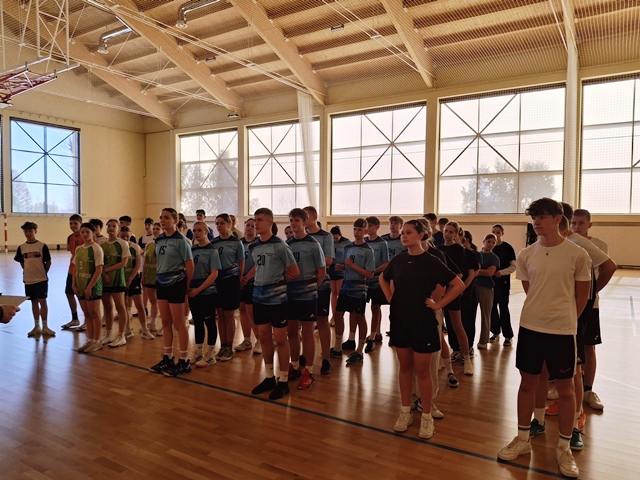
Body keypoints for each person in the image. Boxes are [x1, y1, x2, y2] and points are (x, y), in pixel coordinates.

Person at [498, 198, 591, 479]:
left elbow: (582, 298)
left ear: (557, 219)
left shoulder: (577, 255)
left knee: (565, 390)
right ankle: (522, 438)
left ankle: (563, 447)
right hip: (530, 328)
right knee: (528, 383)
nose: (536, 222)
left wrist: (563, 319)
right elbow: (531, 290)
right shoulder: (527, 254)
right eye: (534, 218)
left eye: (542, 217)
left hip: (562, 332)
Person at [380, 219, 464, 439]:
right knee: (404, 368)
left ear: (421, 235)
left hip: (423, 322)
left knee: (424, 371)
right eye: (403, 233)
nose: (404, 236)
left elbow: (458, 284)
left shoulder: (432, 261)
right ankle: (405, 411)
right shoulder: (398, 260)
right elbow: (382, 278)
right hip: (400, 320)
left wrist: (438, 304)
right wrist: (391, 299)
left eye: (408, 232)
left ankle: (426, 416)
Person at [249, 208, 299, 400]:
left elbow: (294, 271)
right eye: (255, 220)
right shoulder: (253, 246)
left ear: (270, 222)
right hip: (258, 297)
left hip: (277, 300)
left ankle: (284, 380)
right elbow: (258, 267)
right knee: (263, 336)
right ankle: (269, 377)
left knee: (280, 339)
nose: (256, 223)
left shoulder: (280, 246)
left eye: (260, 220)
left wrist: (278, 282)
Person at [570, 209, 610, 411]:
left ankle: (588, 390)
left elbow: (607, 269)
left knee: (588, 346)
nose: (577, 227)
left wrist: (591, 293)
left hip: (590, 306)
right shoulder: (568, 243)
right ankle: (565, 386)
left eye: (581, 223)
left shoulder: (599, 245)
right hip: (570, 304)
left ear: (589, 225)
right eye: (573, 223)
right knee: (569, 346)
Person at [148, 208, 194, 377]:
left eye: (167, 217)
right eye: (161, 217)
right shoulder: (158, 240)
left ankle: (184, 360)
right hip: (161, 283)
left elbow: (190, 265)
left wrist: (186, 285)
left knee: (178, 323)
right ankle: (168, 357)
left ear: (175, 220)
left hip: (177, 284)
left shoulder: (181, 241)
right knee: (166, 321)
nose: (163, 220)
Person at [286, 208, 326, 389]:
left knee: (308, 333)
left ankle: (308, 371)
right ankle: (295, 366)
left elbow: (322, 270)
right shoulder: (287, 244)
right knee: (292, 332)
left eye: (296, 220)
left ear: (304, 222)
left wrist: (311, 288)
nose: (293, 223)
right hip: (290, 295)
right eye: (291, 220)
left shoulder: (313, 244)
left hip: (308, 295)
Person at [332, 218, 375, 366]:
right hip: (346, 286)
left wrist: (351, 265)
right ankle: (337, 347)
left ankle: (359, 350)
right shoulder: (348, 247)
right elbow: (347, 265)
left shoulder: (368, 250)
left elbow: (370, 274)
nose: (356, 232)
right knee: (338, 315)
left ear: (365, 231)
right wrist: (342, 267)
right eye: (355, 229)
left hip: (359, 289)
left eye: (360, 230)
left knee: (359, 317)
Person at [437, 221, 474, 376]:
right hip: (439, 291)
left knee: (457, 325)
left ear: (457, 234)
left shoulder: (459, 250)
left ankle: (467, 359)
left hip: (452, 291)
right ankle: (441, 358)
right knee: (438, 326)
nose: (447, 234)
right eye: (446, 231)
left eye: (451, 232)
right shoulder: (438, 249)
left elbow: (457, 273)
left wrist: (454, 290)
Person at [303, 206, 334, 375]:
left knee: (322, 321)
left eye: (306, 216)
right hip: (303, 286)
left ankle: (326, 358)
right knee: (305, 324)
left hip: (321, 285)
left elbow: (328, 260)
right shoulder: (299, 238)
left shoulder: (326, 236)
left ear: (314, 216)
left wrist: (310, 261)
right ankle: (305, 356)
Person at [212, 213, 245, 362]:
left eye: (222, 223)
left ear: (229, 224)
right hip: (217, 281)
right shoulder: (213, 243)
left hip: (231, 281)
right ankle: (223, 345)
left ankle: (229, 347)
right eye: (217, 223)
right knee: (220, 314)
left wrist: (239, 279)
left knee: (229, 315)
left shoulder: (237, 243)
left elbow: (241, 262)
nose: (219, 226)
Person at [189, 221, 221, 368]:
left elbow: (214, 274)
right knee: (197, 321)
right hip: (193, 291)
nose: (196, 233)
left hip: (207, 292)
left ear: (206, 232)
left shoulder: (212, 251)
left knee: (209, 322)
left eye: (199, 230)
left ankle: (210, 355)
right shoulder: (192, 250)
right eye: (194, 231)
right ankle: (198, 351)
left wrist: (199, 289)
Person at [14, 221, 53, 337]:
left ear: (35, 231)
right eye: (25, 231)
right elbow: (22, 262)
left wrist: (43, 273)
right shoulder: (21, 247)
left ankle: (45, 326)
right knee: (33, 302)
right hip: (28, 280)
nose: (28, 233)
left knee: (43, 302)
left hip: (41, 279)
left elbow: (48, 262)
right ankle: (37, 326)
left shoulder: (42, 246)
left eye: (30, 231)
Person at [73, 222, 105, 353]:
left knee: (94, 314)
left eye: (87, 232)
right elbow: (75, 268)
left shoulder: (97, 249)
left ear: (93, 233)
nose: (85, 235)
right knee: (87, 314)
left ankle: (97, 341)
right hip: (80, 286)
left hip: (93, 287)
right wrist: (73, 284)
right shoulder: (79, 249)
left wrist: (90, 287)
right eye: (82, 232)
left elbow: (98, 270)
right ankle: (90, 340)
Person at [99, 219, 131, 348]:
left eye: (114, 226)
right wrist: (104, 274)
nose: (111, 228)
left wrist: (107, 270)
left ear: (118, 229)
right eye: (109, 226)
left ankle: (121, 335)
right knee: (107, 307)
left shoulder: (123, 244)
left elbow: (123, 263)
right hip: (105, 280)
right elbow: (100, 263)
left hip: (117, 279)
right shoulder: (101, 244)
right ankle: (108, 333)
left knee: (120, 306)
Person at [119, 226, 153, 340]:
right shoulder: (118, 247)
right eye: (123, 236)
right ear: (119, 236)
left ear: (131, 236)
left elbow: (138, 264)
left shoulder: (135, 247)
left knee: (140, 306)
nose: (125, 238)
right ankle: (128, 330)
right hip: (121, 280)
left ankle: (145, 330)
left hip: (134, 279)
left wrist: (130, 279)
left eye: (127, 236)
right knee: (125, 306)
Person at [362, 216, 389, 352]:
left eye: (371, 225)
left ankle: (373, 336)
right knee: (360, 309)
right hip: (363, 281)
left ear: (377, 227)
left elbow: (386, 262)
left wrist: (373, 271)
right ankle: (359, 337)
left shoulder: (382, 243)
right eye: (366, 225)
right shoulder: (363, 242)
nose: (368, 228)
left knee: (375, 307)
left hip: (376, 280)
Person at [489, 224, 517, 346]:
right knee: (492, 308)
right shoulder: (489, 248)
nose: (495, 234)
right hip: (491, 284)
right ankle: (495, 331)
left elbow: (513, 266)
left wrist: (501, 272)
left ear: (502, 233)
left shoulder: (508, 248)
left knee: (503, 308)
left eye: (498, 232)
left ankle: (508, 335)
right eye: (493, 232)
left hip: (503, 283)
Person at [238, 218, 260, 354]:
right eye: (248, 225)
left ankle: (259, 341)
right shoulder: (239, 243)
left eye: (253, 226)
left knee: (251, 312)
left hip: (253, 282)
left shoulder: (258, 244)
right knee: (242, 310)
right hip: (241, 281)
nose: (250, 228)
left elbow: (259, 264)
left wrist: (247, 278)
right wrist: (240, 277)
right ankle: (247, 340)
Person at [475, 234, 500, 349]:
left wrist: (477, 271)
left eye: (493, 243)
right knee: (470, 314)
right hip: (474, 286)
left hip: (486, 288)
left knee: (485, 314)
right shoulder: (477, 255)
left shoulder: (494, 258)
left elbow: (490, 273)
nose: (491, 244)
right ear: (484, 241)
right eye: (489, 241)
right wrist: (481, 271)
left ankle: (483, 341)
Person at [62, 214, 84, 330]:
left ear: (81, 224)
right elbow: (71, 252)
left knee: (82, 295)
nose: (73, 225)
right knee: (69, 293)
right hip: (72, 269)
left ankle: (88, 319)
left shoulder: (85, 236)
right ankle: (75, 318)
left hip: (83, 270)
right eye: (71, 223)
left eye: (75, 223)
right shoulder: (70, 237)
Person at [142, 222, 162, 335]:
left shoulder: (164, 244)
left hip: (160, 276)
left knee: (161, 301)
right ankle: (152, 323)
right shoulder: (149, 244)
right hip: (149, 276)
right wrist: (143, 275)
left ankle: (162, 324)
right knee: (152, 301)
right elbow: (145, 261)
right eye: (154, 229)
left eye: (158, 229)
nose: (155, 231)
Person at [329, 226, 350, 327]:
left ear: (340, 235)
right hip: (331, 269)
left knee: (339, 293)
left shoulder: (346, 242)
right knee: (333, 293)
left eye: (336, 238)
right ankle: (334, 315)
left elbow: (349, 255)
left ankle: (340, 316)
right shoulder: (329, 242)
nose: (335, 240)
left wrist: (343, 266)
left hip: (341, 269)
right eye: (333, 238)